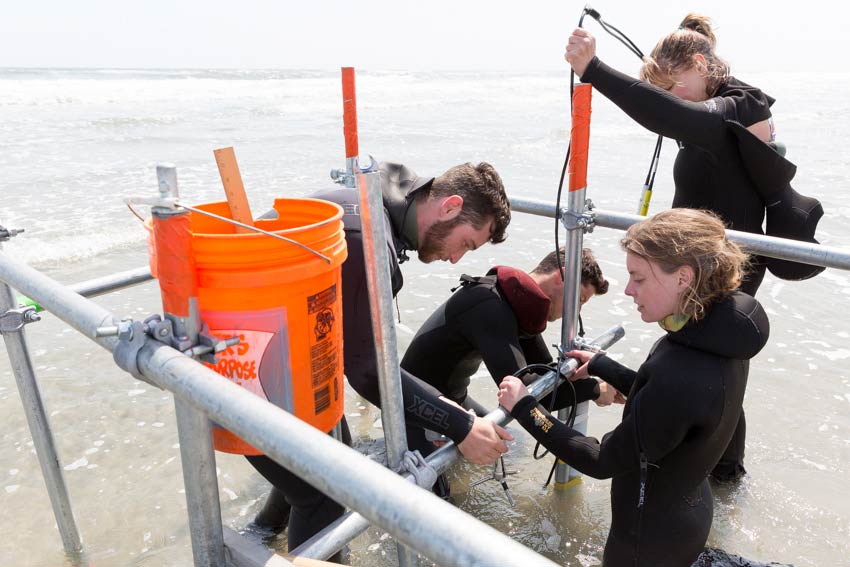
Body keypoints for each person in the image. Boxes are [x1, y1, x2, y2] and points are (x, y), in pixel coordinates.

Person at [564, 14, 821, 481]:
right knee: (707, 366)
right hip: (699, 262)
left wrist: (594, 69)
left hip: (723, 269)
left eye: (675, 87)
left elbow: (676, 115)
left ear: (701, 65)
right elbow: (675, 114)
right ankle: (717, 473)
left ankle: (708, 472)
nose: (671, 101)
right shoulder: (713, 107)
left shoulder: (738, 106)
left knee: (700, 364)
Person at [249, 161, 515, 553]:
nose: (457, 260)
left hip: (262, 355)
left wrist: (440, 407)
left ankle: (260, 533)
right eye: (466, 244)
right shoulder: (368, 241)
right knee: (324, 491)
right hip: (248, 370)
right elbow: (368, 372)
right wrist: (460, 425)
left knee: (334, 444)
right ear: (450, 206)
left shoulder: (372, 203)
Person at [498, 208, 770, 567]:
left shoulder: (680, 371)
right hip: (685, 514)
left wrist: (526, 409)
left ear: (683, 278)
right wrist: (601, 365)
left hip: (646, 547)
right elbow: (669, 407)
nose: (628, 290)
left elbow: (600, 459)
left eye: (638, 278)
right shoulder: (722, 334)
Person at [400, 246, 617, 498]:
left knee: (508, 447)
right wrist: (595, 389)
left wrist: (600, 377)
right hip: (416, 406)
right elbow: (532, 396)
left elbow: (543, 379)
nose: (576, 311)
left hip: (454, 397)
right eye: (579, 300)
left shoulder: (518, 303)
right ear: (563, 276)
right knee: (440, 503)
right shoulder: (490, 306)